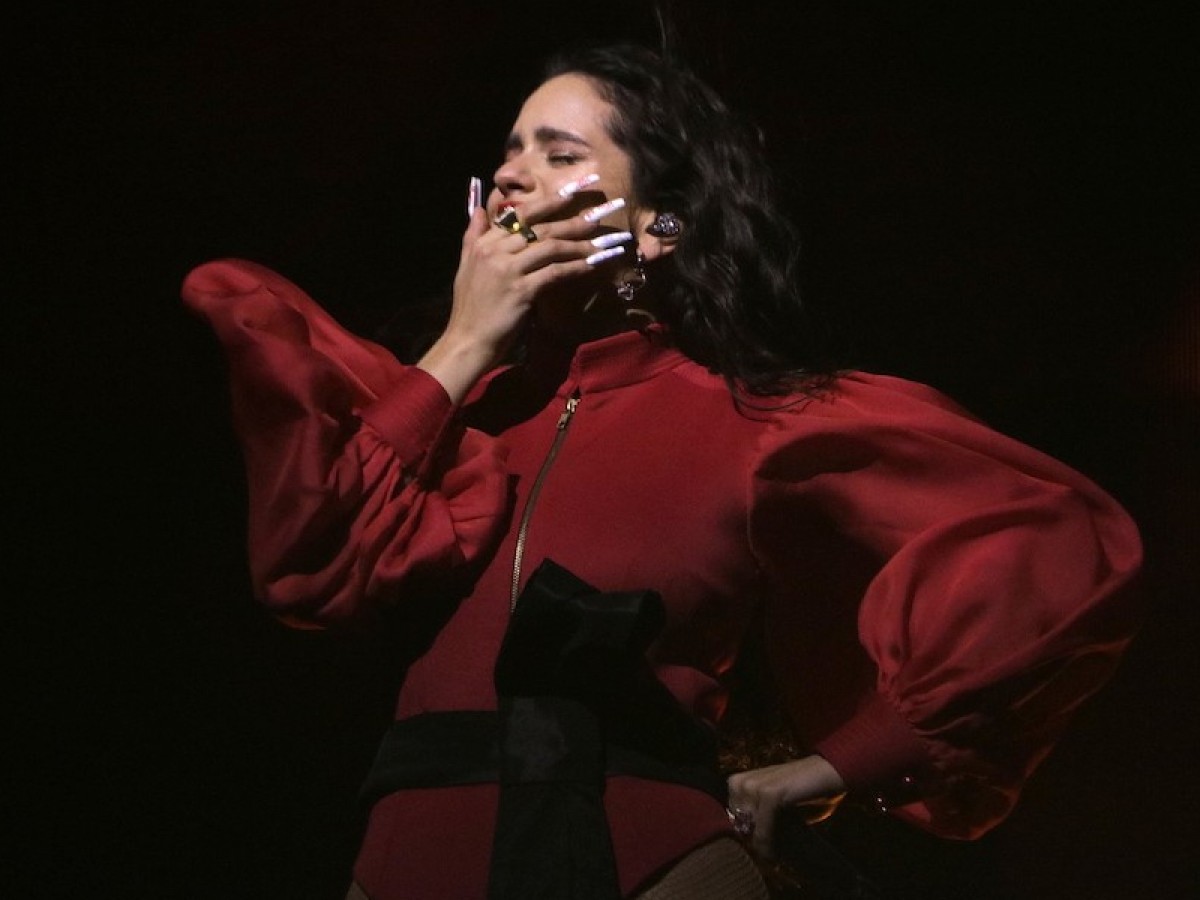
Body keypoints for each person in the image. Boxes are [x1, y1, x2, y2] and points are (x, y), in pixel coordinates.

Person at [182, 41, 1143, 900]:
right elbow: (308, 570)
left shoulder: (755, 423)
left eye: (560, 154)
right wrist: (466, 342)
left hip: (656, 862)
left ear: (656, 228)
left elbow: (1056, 542)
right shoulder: (442, 411)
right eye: (510, 151)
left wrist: (839, 763)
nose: (513, 178)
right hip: (409, 859)